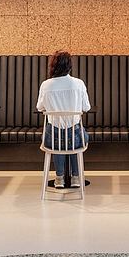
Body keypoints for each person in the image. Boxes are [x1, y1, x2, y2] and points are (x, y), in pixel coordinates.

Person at [36, 50, 90, 188]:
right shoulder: (79, 83)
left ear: (53, 66)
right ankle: (76, 177)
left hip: (52, 138)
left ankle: (59, 177)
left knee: (58, 140)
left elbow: (40, 107)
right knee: (75, 138)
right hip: (76, 138)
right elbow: (86, 107)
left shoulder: (46, 85)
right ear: (69, 66)